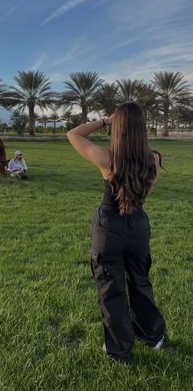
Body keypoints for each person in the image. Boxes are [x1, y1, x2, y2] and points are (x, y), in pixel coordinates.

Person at [67, 102, 166, 365]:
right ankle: (153, 336)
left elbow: (73, 135)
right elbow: (143, 194)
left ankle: (119, 350)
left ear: (118, 128)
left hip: (109, 229)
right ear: (142, 128)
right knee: (140, 282)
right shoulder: (154, 159)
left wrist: (104, 120)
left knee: (112, 290)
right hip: (138, 228)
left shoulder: (106, 158)